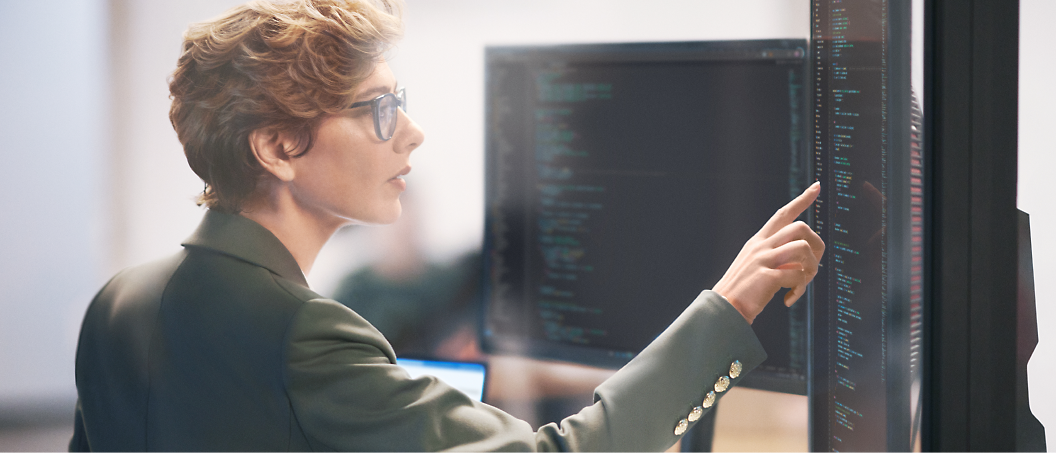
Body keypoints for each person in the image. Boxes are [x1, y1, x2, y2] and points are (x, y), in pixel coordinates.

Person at [69, 0, 825, 451]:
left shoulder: (119, 300)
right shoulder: (299, 333)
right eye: (379, 109)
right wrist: (726, 308)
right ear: (277, 147)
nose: (413, 133)